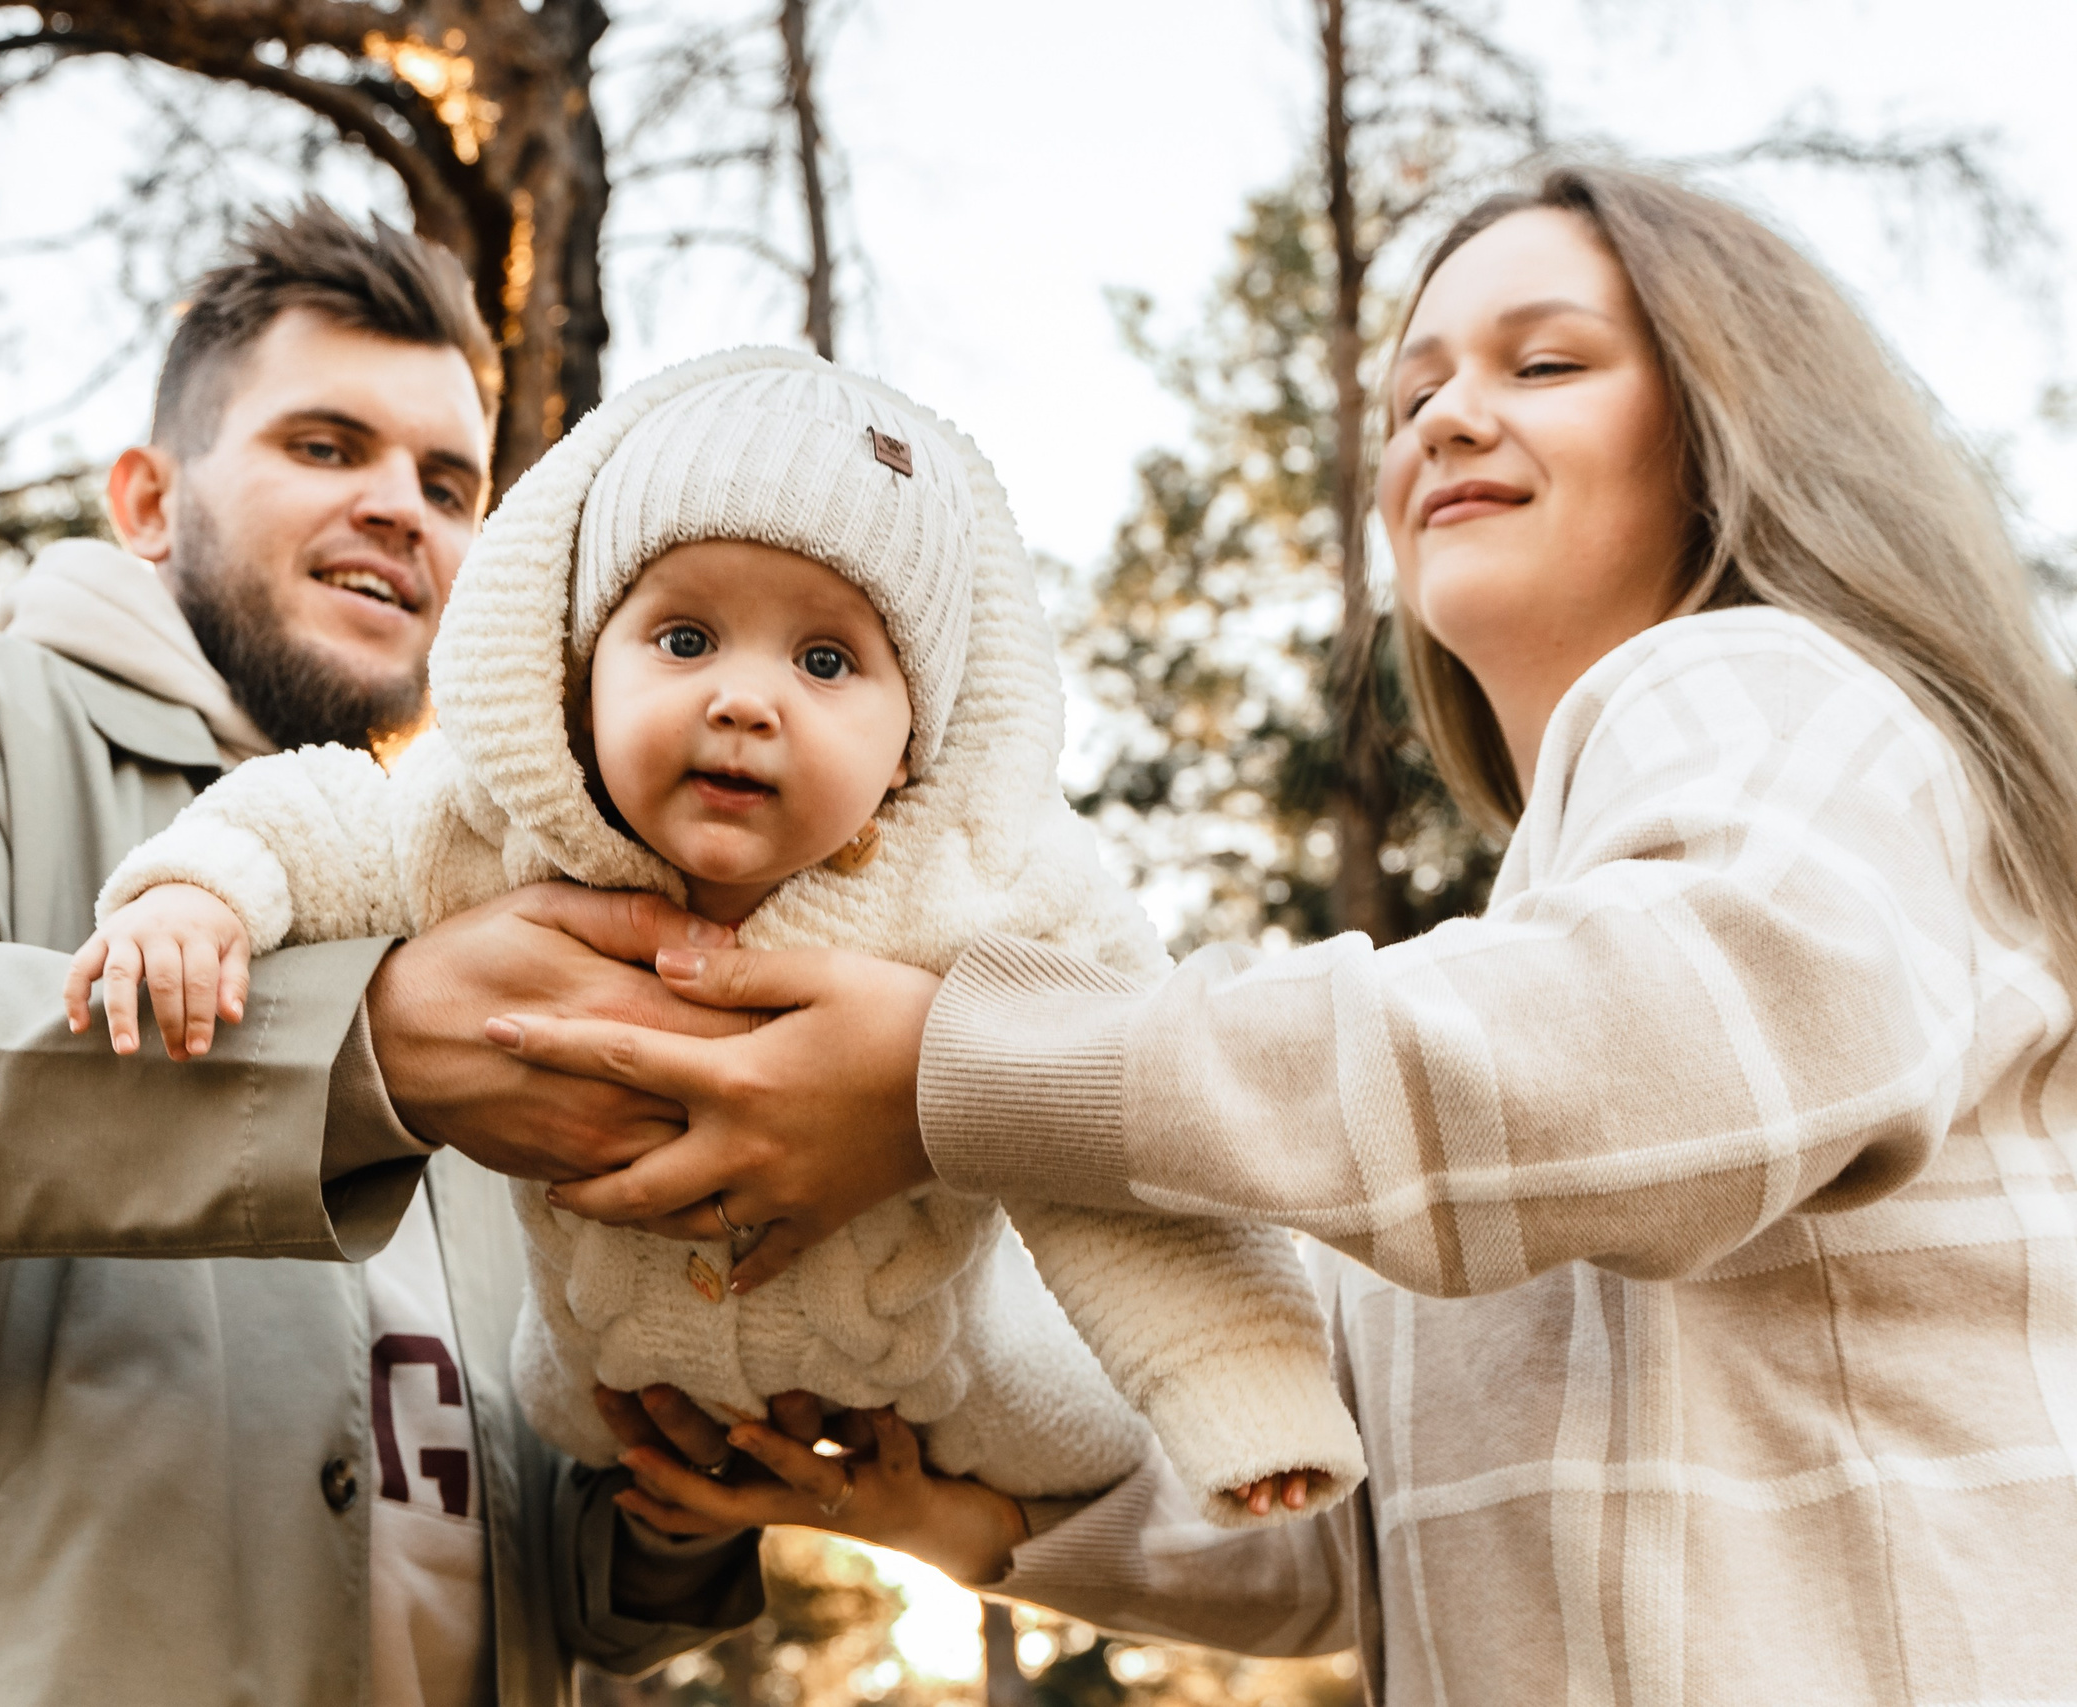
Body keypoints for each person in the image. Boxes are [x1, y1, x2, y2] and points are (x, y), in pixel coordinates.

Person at [477, 164, 2077, 1700]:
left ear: (1735, 419)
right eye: (1412, 393)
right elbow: (1380, 1529)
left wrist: (951, 1075)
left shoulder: (1781, 697)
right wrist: (935, 1509)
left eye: (1545, 363)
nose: (1446, 417)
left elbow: (1684, 1042)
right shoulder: (1515, 1017)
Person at [0, 202, 765, 1707]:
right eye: (327, 445)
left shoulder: (481, 892)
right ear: (150, 501)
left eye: (447, 482)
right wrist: (367, 1054)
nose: (401, 509)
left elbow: (545, 1570)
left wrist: (677, 1511)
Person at [64, 350, 1364, 1540]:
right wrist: (194, 897)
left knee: (1082, 1439)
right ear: (583, 673)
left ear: (912, 739)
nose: (745, 700)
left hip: (921, 1362)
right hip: (597, 1376)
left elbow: (1119, 1131)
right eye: (683, 640)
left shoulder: (986, 887)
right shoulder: (493, 828)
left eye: (827, 661)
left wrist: (1247, 1386)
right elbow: (317, 818)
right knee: (581, 1441)